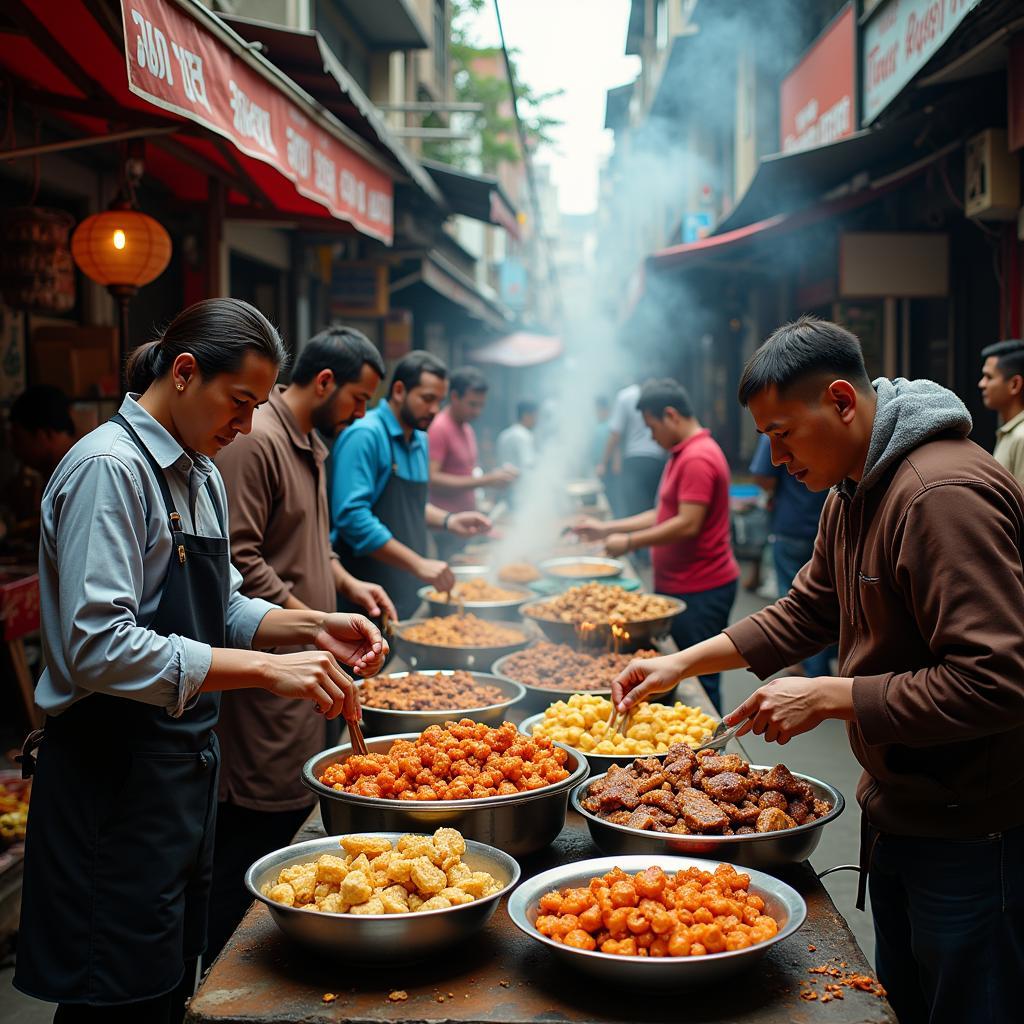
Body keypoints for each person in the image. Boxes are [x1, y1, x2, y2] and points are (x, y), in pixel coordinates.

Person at [613, 316, 1024, 1024]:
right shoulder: (853, 490)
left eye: (781, 433)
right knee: (907, 998)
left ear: (840, 401)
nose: (773, 457)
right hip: (903, 809)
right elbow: (804, 612)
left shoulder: (937, 495)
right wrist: (677, 660)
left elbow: (999, 679)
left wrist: (835, 695)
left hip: (973, 827)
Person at [14, 298, 387, 1024]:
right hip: (109, 781)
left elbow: (223, 602)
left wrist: (312, 626)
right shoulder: (109, 470)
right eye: (239, 402)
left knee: (166, 990)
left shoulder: (198, 472)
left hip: (177, 780)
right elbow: (98, 645)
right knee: (111, 1000)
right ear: (184, 372)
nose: (246, 425)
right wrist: (263, 670)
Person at [208, 325, 396, 958]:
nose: (363, 414)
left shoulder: (309, 442)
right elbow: (242, 562)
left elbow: (310, 544)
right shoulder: (254, 442)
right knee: (255, 824)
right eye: (359, 399)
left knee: (291, 814)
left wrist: (345, 583)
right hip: (266, 668)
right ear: (324, 382)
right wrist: (310, 619)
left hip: (304, 658)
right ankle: (232, 964)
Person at [575, 378, 738, 711]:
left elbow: (687, 523)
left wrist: (629, 542)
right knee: (688, 674)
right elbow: (663, 513)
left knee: (700, 682)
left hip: (702, 588)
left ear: (670, 415)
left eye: (651, 428)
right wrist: (606, 530)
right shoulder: (682, 454)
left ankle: (716, 751)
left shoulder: (697, 457)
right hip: (686, 586)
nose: (651, 437)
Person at [331, 351, 490, 619]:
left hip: (405, 588)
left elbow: (410, 507)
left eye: (439, 401)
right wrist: (418, 564)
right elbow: (352, 518)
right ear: (399, 390)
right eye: (427, 399)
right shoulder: (365, 434)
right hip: (364, 592)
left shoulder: (419, 440)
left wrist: (450, 520)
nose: (434, 410)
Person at [749, 432, 834, 677]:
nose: (778, 458)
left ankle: (811, 672)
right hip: (816, 525)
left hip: (792, 526)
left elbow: (763, 475)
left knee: (800, 604)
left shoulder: (775, 425)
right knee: (825, 600)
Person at [428, 366, 516, 560]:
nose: (477, 411)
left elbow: (465, 471)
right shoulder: (439, 428)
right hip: (445, 527)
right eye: (472, 404)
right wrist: (486, 481)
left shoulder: (466, 428)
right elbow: (432, 478)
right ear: (454, 397)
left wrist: (496, 476)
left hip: (466, 523)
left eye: (481, 405)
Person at [598, 380, 665, 519]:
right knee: (655, 510)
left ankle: (634, 540)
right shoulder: (658, 393)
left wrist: (603, 463)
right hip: (658, 460)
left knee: (634, 511)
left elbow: (615, 433)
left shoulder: (625, 396)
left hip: (635, 462)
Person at [978, 338, 1024, 487]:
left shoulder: (1021, 437)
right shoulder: (1011, 432)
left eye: (989, 377)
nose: (982, 384)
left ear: (1014, 384)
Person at [9, 385, 77, 483]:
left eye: (18, 439)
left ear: (46, 434)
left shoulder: (76, 478)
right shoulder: (55, 476)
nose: (13, 448)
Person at [496, 400, 538, 471]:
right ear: (526, 416)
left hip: (504, 480)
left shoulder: (504, 434)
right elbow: (528, 465)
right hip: (521, 481)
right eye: (535, 416)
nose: (536, 420)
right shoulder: (524, 435)